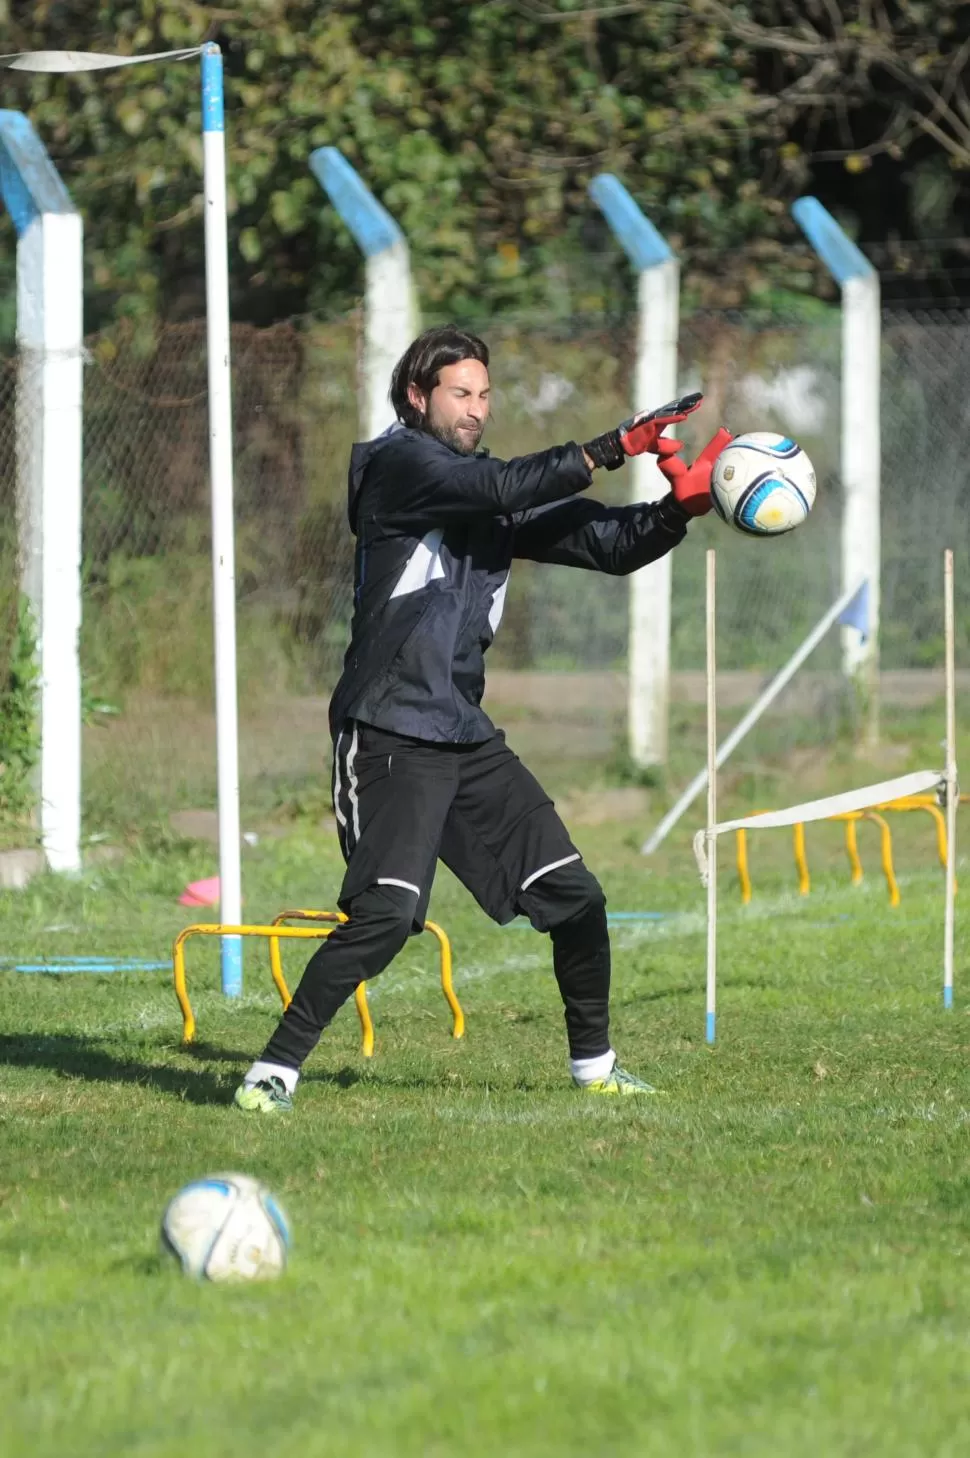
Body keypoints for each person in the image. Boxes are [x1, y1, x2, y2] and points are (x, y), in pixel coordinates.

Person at [235, 325, 730, 1113]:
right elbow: (500, 490)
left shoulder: (488, 487)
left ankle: (595, 1069)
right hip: (391, 731)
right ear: (416, 397)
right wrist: (610, 445)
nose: (475, 409)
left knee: (577, 898)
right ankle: (273, 1071)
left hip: (463, 734)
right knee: (387, 917)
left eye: (485, 395)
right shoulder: (396, 466)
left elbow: (608, 543)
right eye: (459, 394)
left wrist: (680, 510)